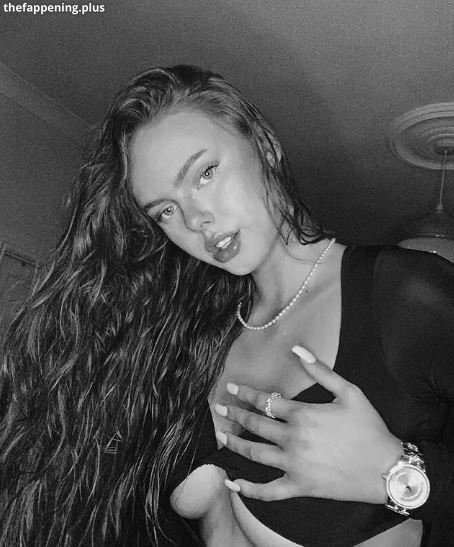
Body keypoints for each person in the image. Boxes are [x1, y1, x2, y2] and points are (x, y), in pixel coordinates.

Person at [0, 65, 453, 547]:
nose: (196, 219)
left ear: (264, 144)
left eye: (205, 173)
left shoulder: (405, 294)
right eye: (166, 210)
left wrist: (396, 472)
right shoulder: (197, 334)